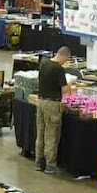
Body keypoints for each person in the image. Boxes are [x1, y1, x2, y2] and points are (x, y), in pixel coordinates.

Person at [35, 46, 70, 175]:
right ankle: (50, 164)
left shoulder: (44, 64)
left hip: (40, 101)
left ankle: (39, 161)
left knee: (41, 132)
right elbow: (65, 90)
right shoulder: (58, 69)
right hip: (52, 104)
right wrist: (70, 85)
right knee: (52, 134)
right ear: (64, 56)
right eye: (66, 60)